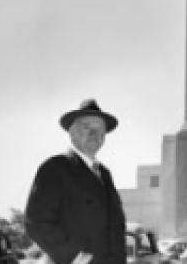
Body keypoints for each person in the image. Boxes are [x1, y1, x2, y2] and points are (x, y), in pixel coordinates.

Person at [25, 99, 126, 264]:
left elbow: (116, 228)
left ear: (104, 137)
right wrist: (75, 257)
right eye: (87, 127)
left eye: (100, 129)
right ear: (72, 133)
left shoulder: (105, 175)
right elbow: (37, 222)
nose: (94, 133)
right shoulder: (56, 167)